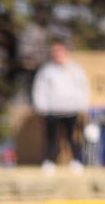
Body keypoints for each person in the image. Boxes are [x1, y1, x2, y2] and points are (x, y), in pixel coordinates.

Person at [32, 39, 90, 172]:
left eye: (60, 51)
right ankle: (49, 161)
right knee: (51, 137)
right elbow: (39, 89)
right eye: (55, 51)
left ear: (66, 52)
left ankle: (76, 160)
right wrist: (41, 106)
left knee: (72, 137)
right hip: (52, 110)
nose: (58, 54)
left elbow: (83, 88)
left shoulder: (75, 69)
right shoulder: (46, 70)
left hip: (71, 109)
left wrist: (82, 105)